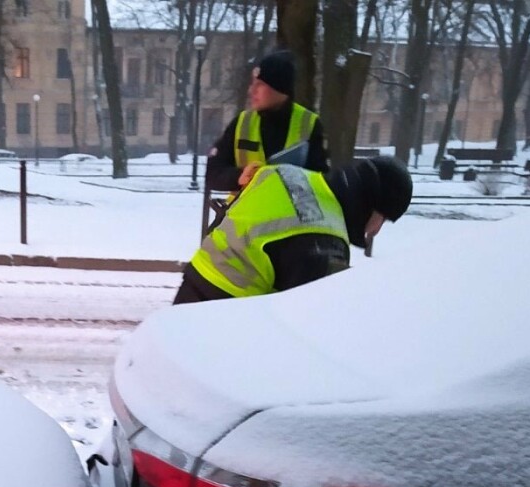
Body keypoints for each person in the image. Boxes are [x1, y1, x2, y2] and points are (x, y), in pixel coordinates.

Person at [172, 154, 413, 304]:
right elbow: (305, 325)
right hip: (230, 315)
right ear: (371, 205)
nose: (376, 231)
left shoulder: (283, 171)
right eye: (384, 219)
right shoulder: (326, 242)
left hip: (194, 282)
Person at [205, 50, 330, 195]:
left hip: (289, 216)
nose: (252, 91)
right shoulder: (242, 123)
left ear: (280, 89)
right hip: (245, 216)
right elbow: (213, 174)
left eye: (260, 85)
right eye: (253, 84)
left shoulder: (309, 124)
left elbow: (321, 180)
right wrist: (240, 176)